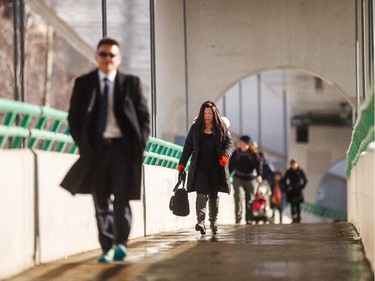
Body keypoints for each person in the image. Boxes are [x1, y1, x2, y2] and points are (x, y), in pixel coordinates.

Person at [61, 38, 150, 263]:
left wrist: (139, 145)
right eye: (103, 54)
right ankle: (107, 247)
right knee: (100, 201)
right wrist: (84, 145)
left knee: (121, 199)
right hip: (96, 151)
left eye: (112, 55)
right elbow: (74, 118)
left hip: (123, 150)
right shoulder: (84, 83)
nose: (107, 59)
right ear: (96, 56)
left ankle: (121, 244)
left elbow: (143, 118)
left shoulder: (131, 83)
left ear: (119, 59)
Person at [177, 101, 233, 235]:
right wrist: (182, 163)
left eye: (210, 113)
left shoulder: (221, 128)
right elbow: (188, 147)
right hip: (200, 167)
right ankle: (200, 222)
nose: (207, 116)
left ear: (214, 114)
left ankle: (213, 222)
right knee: (201, 193)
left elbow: (229, 144)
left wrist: (225, 155)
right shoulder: (195, 128)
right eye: (205, 113)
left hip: (216, 168)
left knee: (213, 195)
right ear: (201, 114)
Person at [229, 136, 262, 224]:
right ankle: (238, 218)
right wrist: (227, 174)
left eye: (242, 142)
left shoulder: (253, 153)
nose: (240, 143)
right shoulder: (237, 152)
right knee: (238, 197)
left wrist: (259, 175)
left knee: (250, 199)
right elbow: (231, 165)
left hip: (250, 179)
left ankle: (249, 218)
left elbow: (258, 165)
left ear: (246, 143)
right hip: (238, 177)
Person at [284, 159, 308, 223]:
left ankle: (298, 217)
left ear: (297, 164)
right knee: (292, 204)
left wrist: (301, 187)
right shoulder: (288, 171)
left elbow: (305, 180)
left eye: (294, 164)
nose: (293, 166)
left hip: (298, 191)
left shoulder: (300, 171)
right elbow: (284, 180)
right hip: (291, 191)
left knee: (298, 205)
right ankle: (293, 217)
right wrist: (288, 186)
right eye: (292, 164)